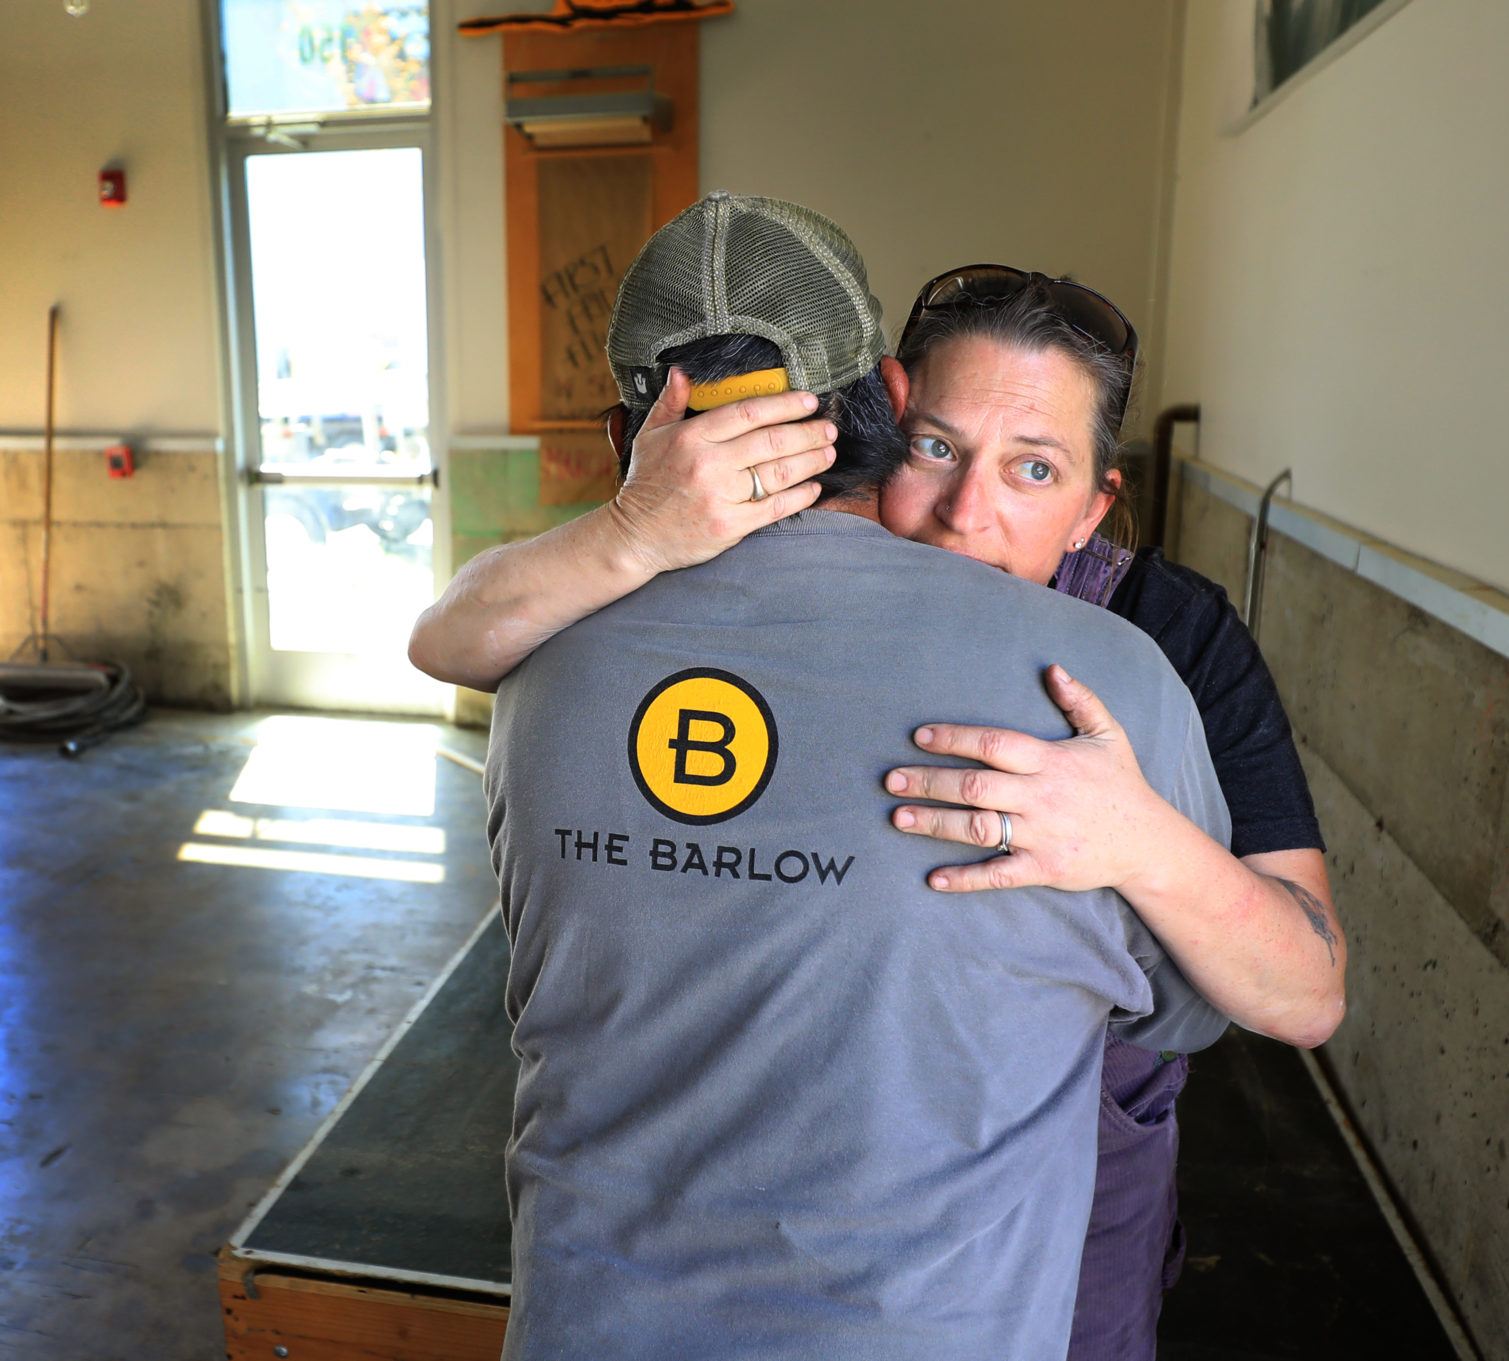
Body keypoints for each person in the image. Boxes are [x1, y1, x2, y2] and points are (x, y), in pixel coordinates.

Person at [420, 255, 1347, 1358]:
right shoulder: (664, 606)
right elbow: (451, 634)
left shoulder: (1165, 643)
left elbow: (1300, 990)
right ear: (884, 415)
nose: (966, 511)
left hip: (1067, 1192)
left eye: (1033, 470)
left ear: (1098, 505)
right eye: (939, 449)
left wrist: (1141, 840)